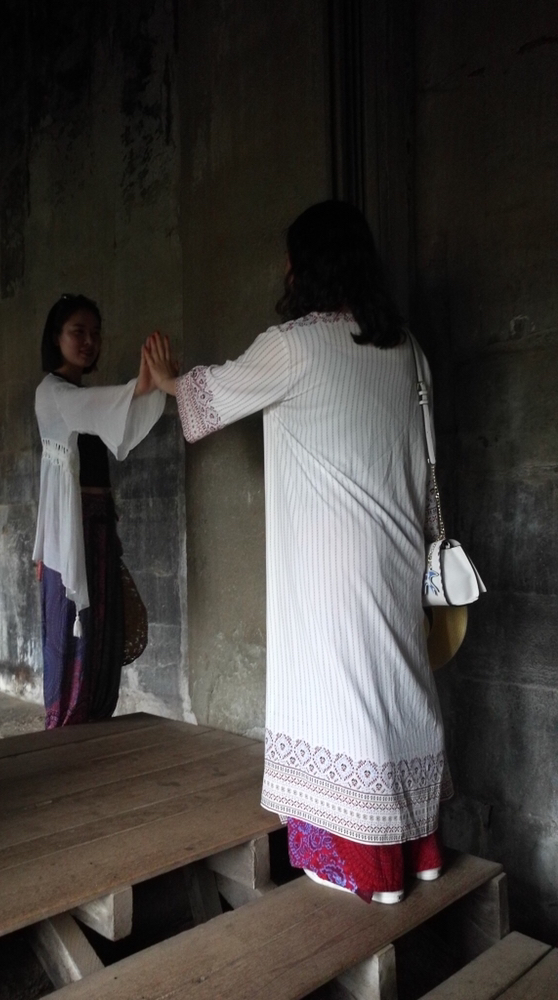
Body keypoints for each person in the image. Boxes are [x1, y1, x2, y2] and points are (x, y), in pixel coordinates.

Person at [144, 201, 451, 903]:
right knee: (399, 688)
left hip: (330, 566)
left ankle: (371, 870)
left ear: (305, 267)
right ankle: (423, 850)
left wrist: (168, 381)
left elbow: (211, 399)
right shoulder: (407, 347)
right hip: (399, 552)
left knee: (343, 701)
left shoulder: (293, 345)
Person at [33, 294, 166, 727]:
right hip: (71, 533)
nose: (89, 341)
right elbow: (93, 409)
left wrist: (148, 388)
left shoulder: (78, 395)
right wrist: (141, 386)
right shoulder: (51, 392)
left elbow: (117, 427)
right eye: (78, 332)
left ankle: (95, 720)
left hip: (98, 524)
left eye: (95, 333)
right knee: (75, 626)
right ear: (56, 337)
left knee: (104, 627)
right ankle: (67, 727)